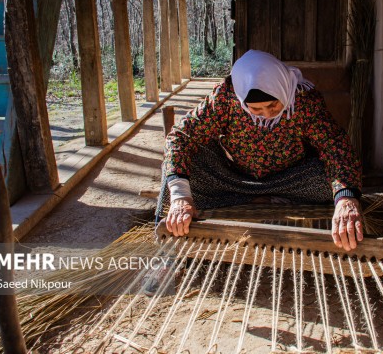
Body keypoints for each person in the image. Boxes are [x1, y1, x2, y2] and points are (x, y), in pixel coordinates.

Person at [155, 50, 364, 252]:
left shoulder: (304, 102)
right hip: (236, 180)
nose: (266, 115)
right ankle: (164, 249)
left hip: (290, 181)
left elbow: (335, 147)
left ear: (283, 89)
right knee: (177, 174)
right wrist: (181, 197)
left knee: (331, 178)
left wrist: (346, 199)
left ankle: (259, 197)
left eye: (273, 105)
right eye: (256, 109)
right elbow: (181, 137)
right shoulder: (226, 98)